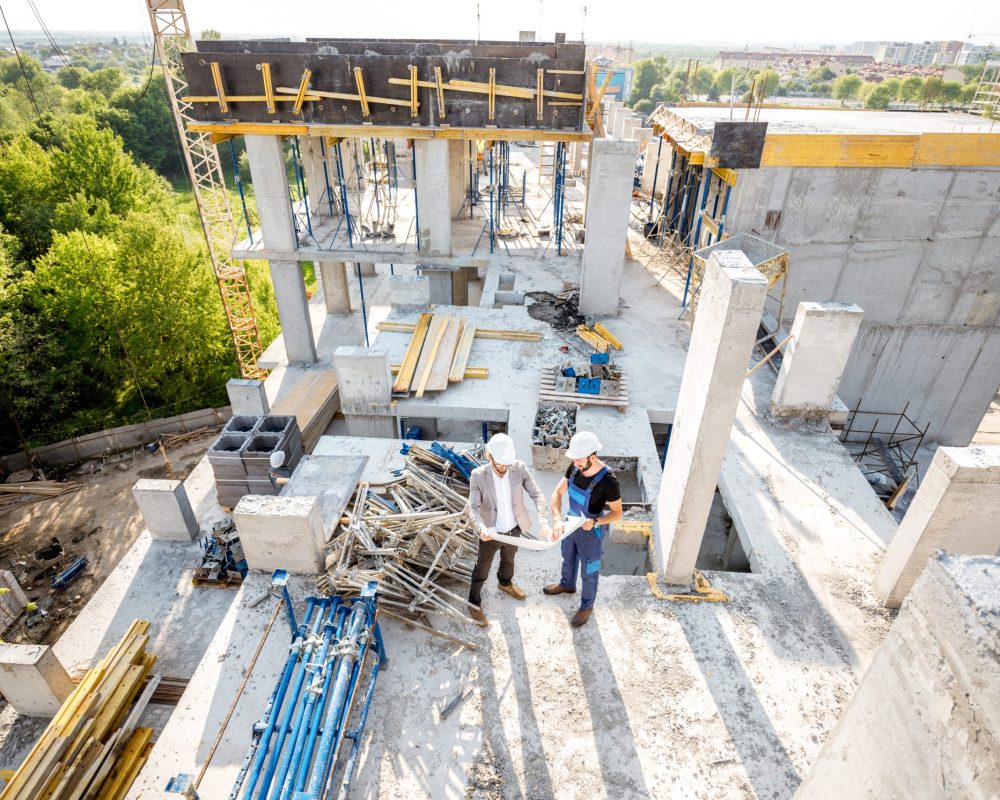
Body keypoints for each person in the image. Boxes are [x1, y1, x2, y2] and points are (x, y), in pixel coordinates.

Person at [466, 433, 551, 626]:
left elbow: (536, 493)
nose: (504, 468)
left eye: (506, 464)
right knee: (482, 568)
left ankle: (505, 583)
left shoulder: (518, 468)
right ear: (489, 456)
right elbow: (472, 507)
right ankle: (474, 601)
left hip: (514, 530)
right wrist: (481, 528)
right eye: (500, 464)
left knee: (509, 560)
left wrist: (543, 522)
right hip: (491, 533)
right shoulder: (478, 475)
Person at [544, 431, 623, 628]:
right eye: (574, 460)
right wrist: (557, 520)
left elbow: (617, 514)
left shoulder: (609, 481)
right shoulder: (574, 467)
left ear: (592, 457)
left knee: (589, 571)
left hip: (590, 532)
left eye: (579, 460)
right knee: (567, 557)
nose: (576, 464)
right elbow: (557, 493)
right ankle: (567, 585)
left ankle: (587, 606)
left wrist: (595, 522)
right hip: (570, 526)